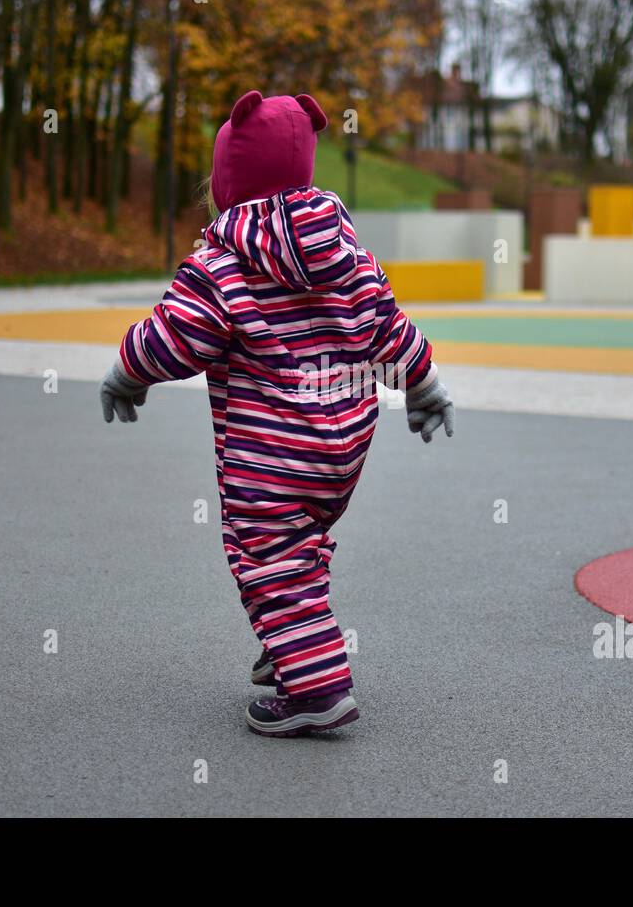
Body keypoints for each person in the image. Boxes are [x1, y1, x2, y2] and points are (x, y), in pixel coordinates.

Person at [100, 90, 455, 736]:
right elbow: (389, 329)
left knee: (266, 554)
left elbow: (175, 338)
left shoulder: (221, 265)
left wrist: (126, 373)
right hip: (342, 452)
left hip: (270, 456)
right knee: (300, 550)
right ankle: (291, 645)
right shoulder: (351, 260)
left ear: (227, 180)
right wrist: (424, 387)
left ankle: (316, 692)